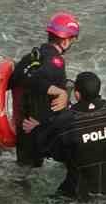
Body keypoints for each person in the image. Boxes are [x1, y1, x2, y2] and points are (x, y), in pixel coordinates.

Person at [24, 71, 106, 201]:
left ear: (76, 94)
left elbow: (46, 150)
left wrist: (38, 128)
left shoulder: (65, 121)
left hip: (81, 194)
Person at [7, 12, 80, 167]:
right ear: (66, 41)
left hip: (25, 128)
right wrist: (61, 93)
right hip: (40, 129)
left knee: (24, 173)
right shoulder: (56, 61)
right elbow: (35, 80)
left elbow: (12, 82)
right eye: (72, 39)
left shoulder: (31, 57)